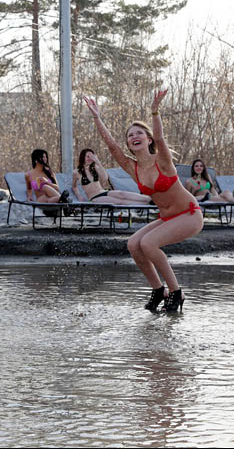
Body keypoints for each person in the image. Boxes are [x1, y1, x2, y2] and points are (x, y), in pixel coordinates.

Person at [83, 90, 203, 312]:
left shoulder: (163, 161)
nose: (134, 136)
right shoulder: (132, 167)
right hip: (168, 217)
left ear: (147, 139)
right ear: (129, 143)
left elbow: (160, 138)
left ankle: (176, 293)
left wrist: (155, 112)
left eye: (139, 133)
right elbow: (112, 147)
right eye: (130, 135)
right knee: (133, 244)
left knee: (148, 243)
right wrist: (97, 118)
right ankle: (159, 290)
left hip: (189, 214)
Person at [72, 148, 153, 205]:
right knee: (120, 202)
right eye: (88, 156)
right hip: (94, 198)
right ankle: (146, 204)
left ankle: (150, 199)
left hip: (103, 192)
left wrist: (97, 161)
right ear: (83, 157)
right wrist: (79, 196)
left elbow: (105, 178)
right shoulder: (76, 172)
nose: (90, 158)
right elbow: (74, 186)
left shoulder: (95, 168)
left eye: (91, 156)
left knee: (122, 194)